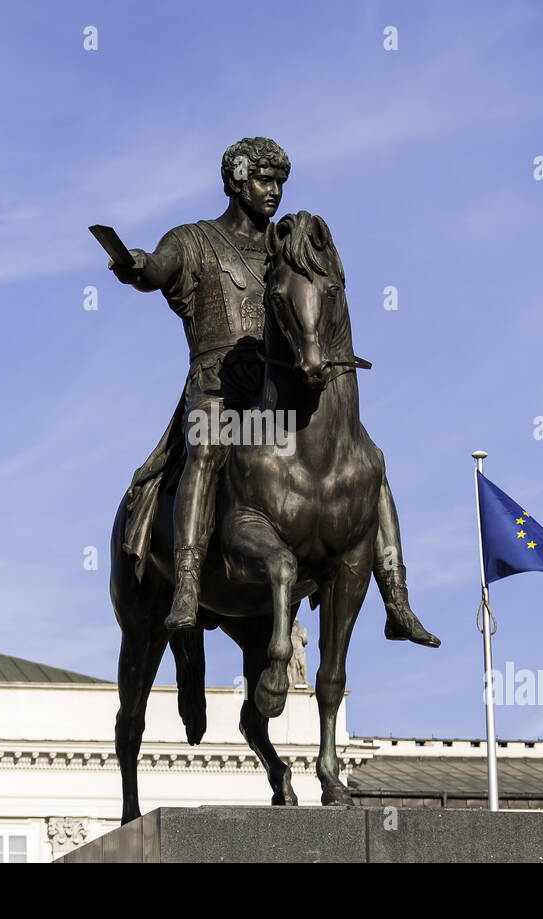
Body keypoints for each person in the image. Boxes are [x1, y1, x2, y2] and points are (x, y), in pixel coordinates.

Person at [111, 137, 439, 647]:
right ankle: (188, 583)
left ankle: (395, 595)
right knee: (207, 447)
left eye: (281, 182)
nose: (274, 192)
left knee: (365, 459)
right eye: (265, 180)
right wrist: (138, 265)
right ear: (237, 180)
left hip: (282, 387)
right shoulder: (195, 241)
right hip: (218, 387)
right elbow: (156, 268)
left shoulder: (285, 249)